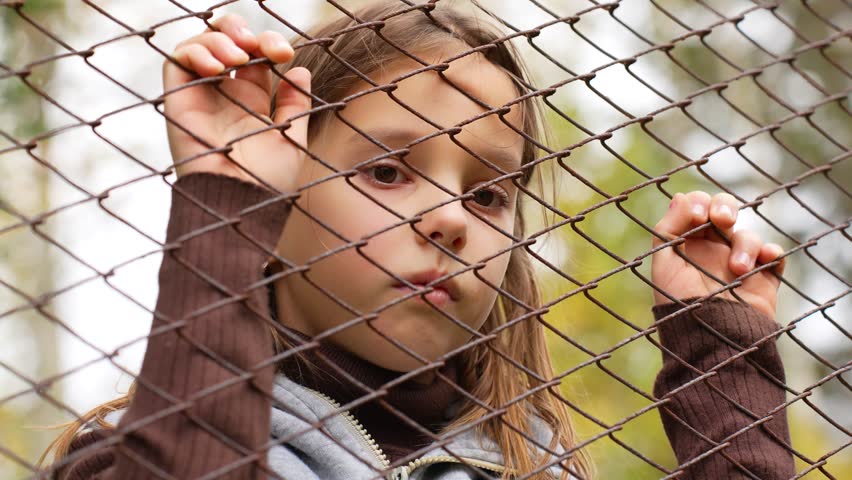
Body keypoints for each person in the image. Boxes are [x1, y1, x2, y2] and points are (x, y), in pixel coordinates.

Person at [39, 2, 795, 479]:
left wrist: (723, 355)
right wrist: (226, 208)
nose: (451, 220)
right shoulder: (132, 453)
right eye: (389, 171)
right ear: (283, 188)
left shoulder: (539, 466)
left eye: (488, 192)